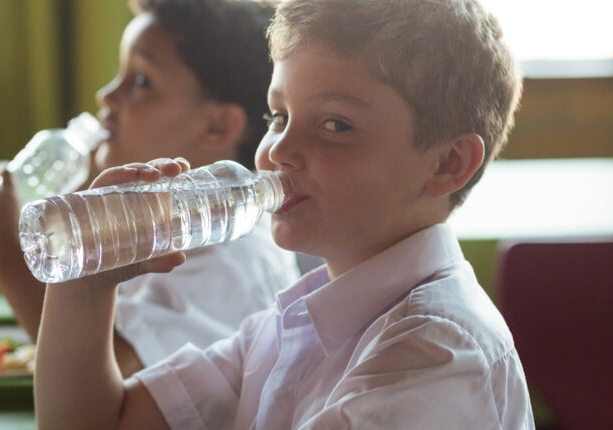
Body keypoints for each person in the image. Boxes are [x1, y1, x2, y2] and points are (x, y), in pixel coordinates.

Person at [32, 0, 535, 428]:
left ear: (448, 164)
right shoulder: (286, 327)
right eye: (279, 116)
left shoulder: (439, 356)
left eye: (336, 124)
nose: (279, 150)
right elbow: (105, 421)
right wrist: (86, 281)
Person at [0, 0, 299, 378]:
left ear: (218, 126)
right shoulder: (160, 220)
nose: (107, 96)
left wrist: (6, 257)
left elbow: (111, 381)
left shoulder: (229, 262)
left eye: (141, 81)